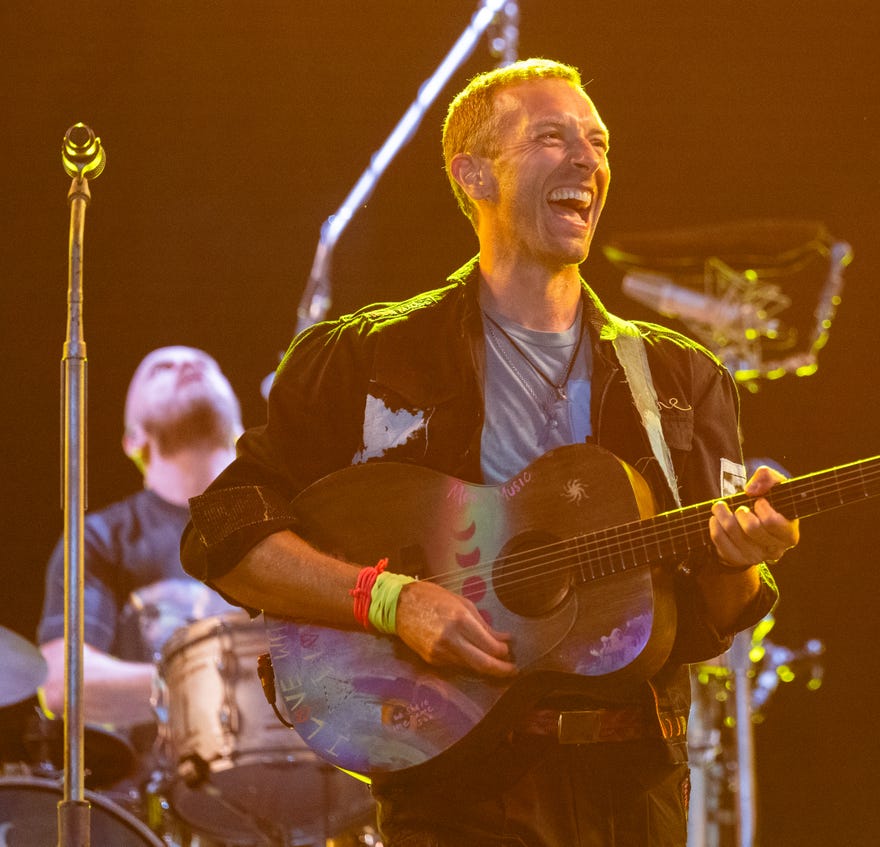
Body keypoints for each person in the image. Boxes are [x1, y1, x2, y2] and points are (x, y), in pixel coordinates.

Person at [181, 58, 800, 846]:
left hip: (634, 793)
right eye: (553, 137)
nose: (589, 160)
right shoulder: (365, 357)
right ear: (472, 174)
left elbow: (715, 615)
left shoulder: (682, 378)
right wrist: (389, 599)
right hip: (451, 794)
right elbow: (225, 531)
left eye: (599, 142)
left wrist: (743, 552)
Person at [37, 346, 242, 751]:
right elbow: (63, 683)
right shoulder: (100, 537)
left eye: (204, 364)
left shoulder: (291, 524)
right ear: (133, 439)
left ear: (239, 425)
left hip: (310, 791)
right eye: (162, 369)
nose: (186, 366)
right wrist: (204, 684)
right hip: (152, 801)